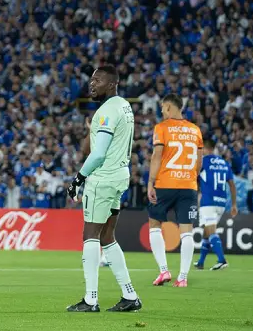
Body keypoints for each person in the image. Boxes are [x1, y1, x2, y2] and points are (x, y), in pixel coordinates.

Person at [66, 66, 141, 313]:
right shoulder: (124, 106)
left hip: (104, 178)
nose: (92, 84)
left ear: (111, 84)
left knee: (89, 235)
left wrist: (78, 178)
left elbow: (97, 154)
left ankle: (90, 299)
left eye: (97, 80)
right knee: (108, 237)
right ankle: (130, 296)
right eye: (91, 79)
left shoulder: (106, 111)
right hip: (120, 175)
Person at [147, 93, 203, 288]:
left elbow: (157, 155)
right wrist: (190, 178)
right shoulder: (195, 130)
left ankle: (164, 271)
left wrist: (150, 182)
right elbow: (199, 160)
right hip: (188, 185)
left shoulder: (162, 128)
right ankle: (183, 278)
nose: (162, 111)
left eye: (163, 107)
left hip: (165, 184)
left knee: (154, 224)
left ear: (170, 107)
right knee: (187, 231)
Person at [195, 139, 237, 271]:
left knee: (211, 231)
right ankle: (201, 261)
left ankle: (221, 260)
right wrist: (234, 204)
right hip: (222, 202)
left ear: (205, 149)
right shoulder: (224, 163)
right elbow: (231, 184)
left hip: (208, 201)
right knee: (207, 232)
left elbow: (193, 176)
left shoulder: (203, 162)